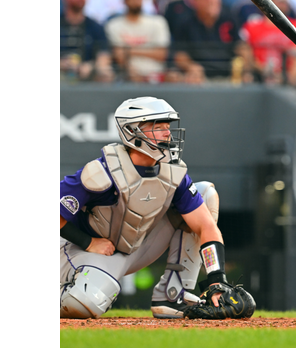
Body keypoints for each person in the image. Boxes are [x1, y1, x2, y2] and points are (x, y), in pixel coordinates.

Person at [60, 96, 256, 319]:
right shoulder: (101, 171)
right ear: (132, 131)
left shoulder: (172, 173)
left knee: (204, 194)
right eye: (158, 127)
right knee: (84, 303)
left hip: (134, 247)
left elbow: (206, 227)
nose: (168, 134)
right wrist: (88, 242)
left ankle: (173, 295)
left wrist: (216, 278)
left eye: (168, 127)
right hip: (81, 250)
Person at [170, 0, 242, 80]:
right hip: (200, 77)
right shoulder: (186, 23)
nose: (212, 0)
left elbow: (240, 46)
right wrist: (190, 66)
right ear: (195, 0)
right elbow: (179, 54)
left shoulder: (229, 18)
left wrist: (244, 66)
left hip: (229, 74)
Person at [105, 0, 171, 83]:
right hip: (127, 78)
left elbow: (162, 54)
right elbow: (119, 56)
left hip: (156, 77)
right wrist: (149, 52)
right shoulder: (114, 25)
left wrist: (129, 50)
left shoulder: (158, 22)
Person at [239, 0, 296, 86]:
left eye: (286, 0)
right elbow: (245, 53)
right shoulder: (252, 26)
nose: (285, 3)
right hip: (258, 77)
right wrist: (263, 69)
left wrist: (286, 78)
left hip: (286, 79)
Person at [60, 0, 114, 83]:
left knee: (106, 74)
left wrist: (91, 66)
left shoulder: (95, 27)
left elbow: (104, 56)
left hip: (87, 78)